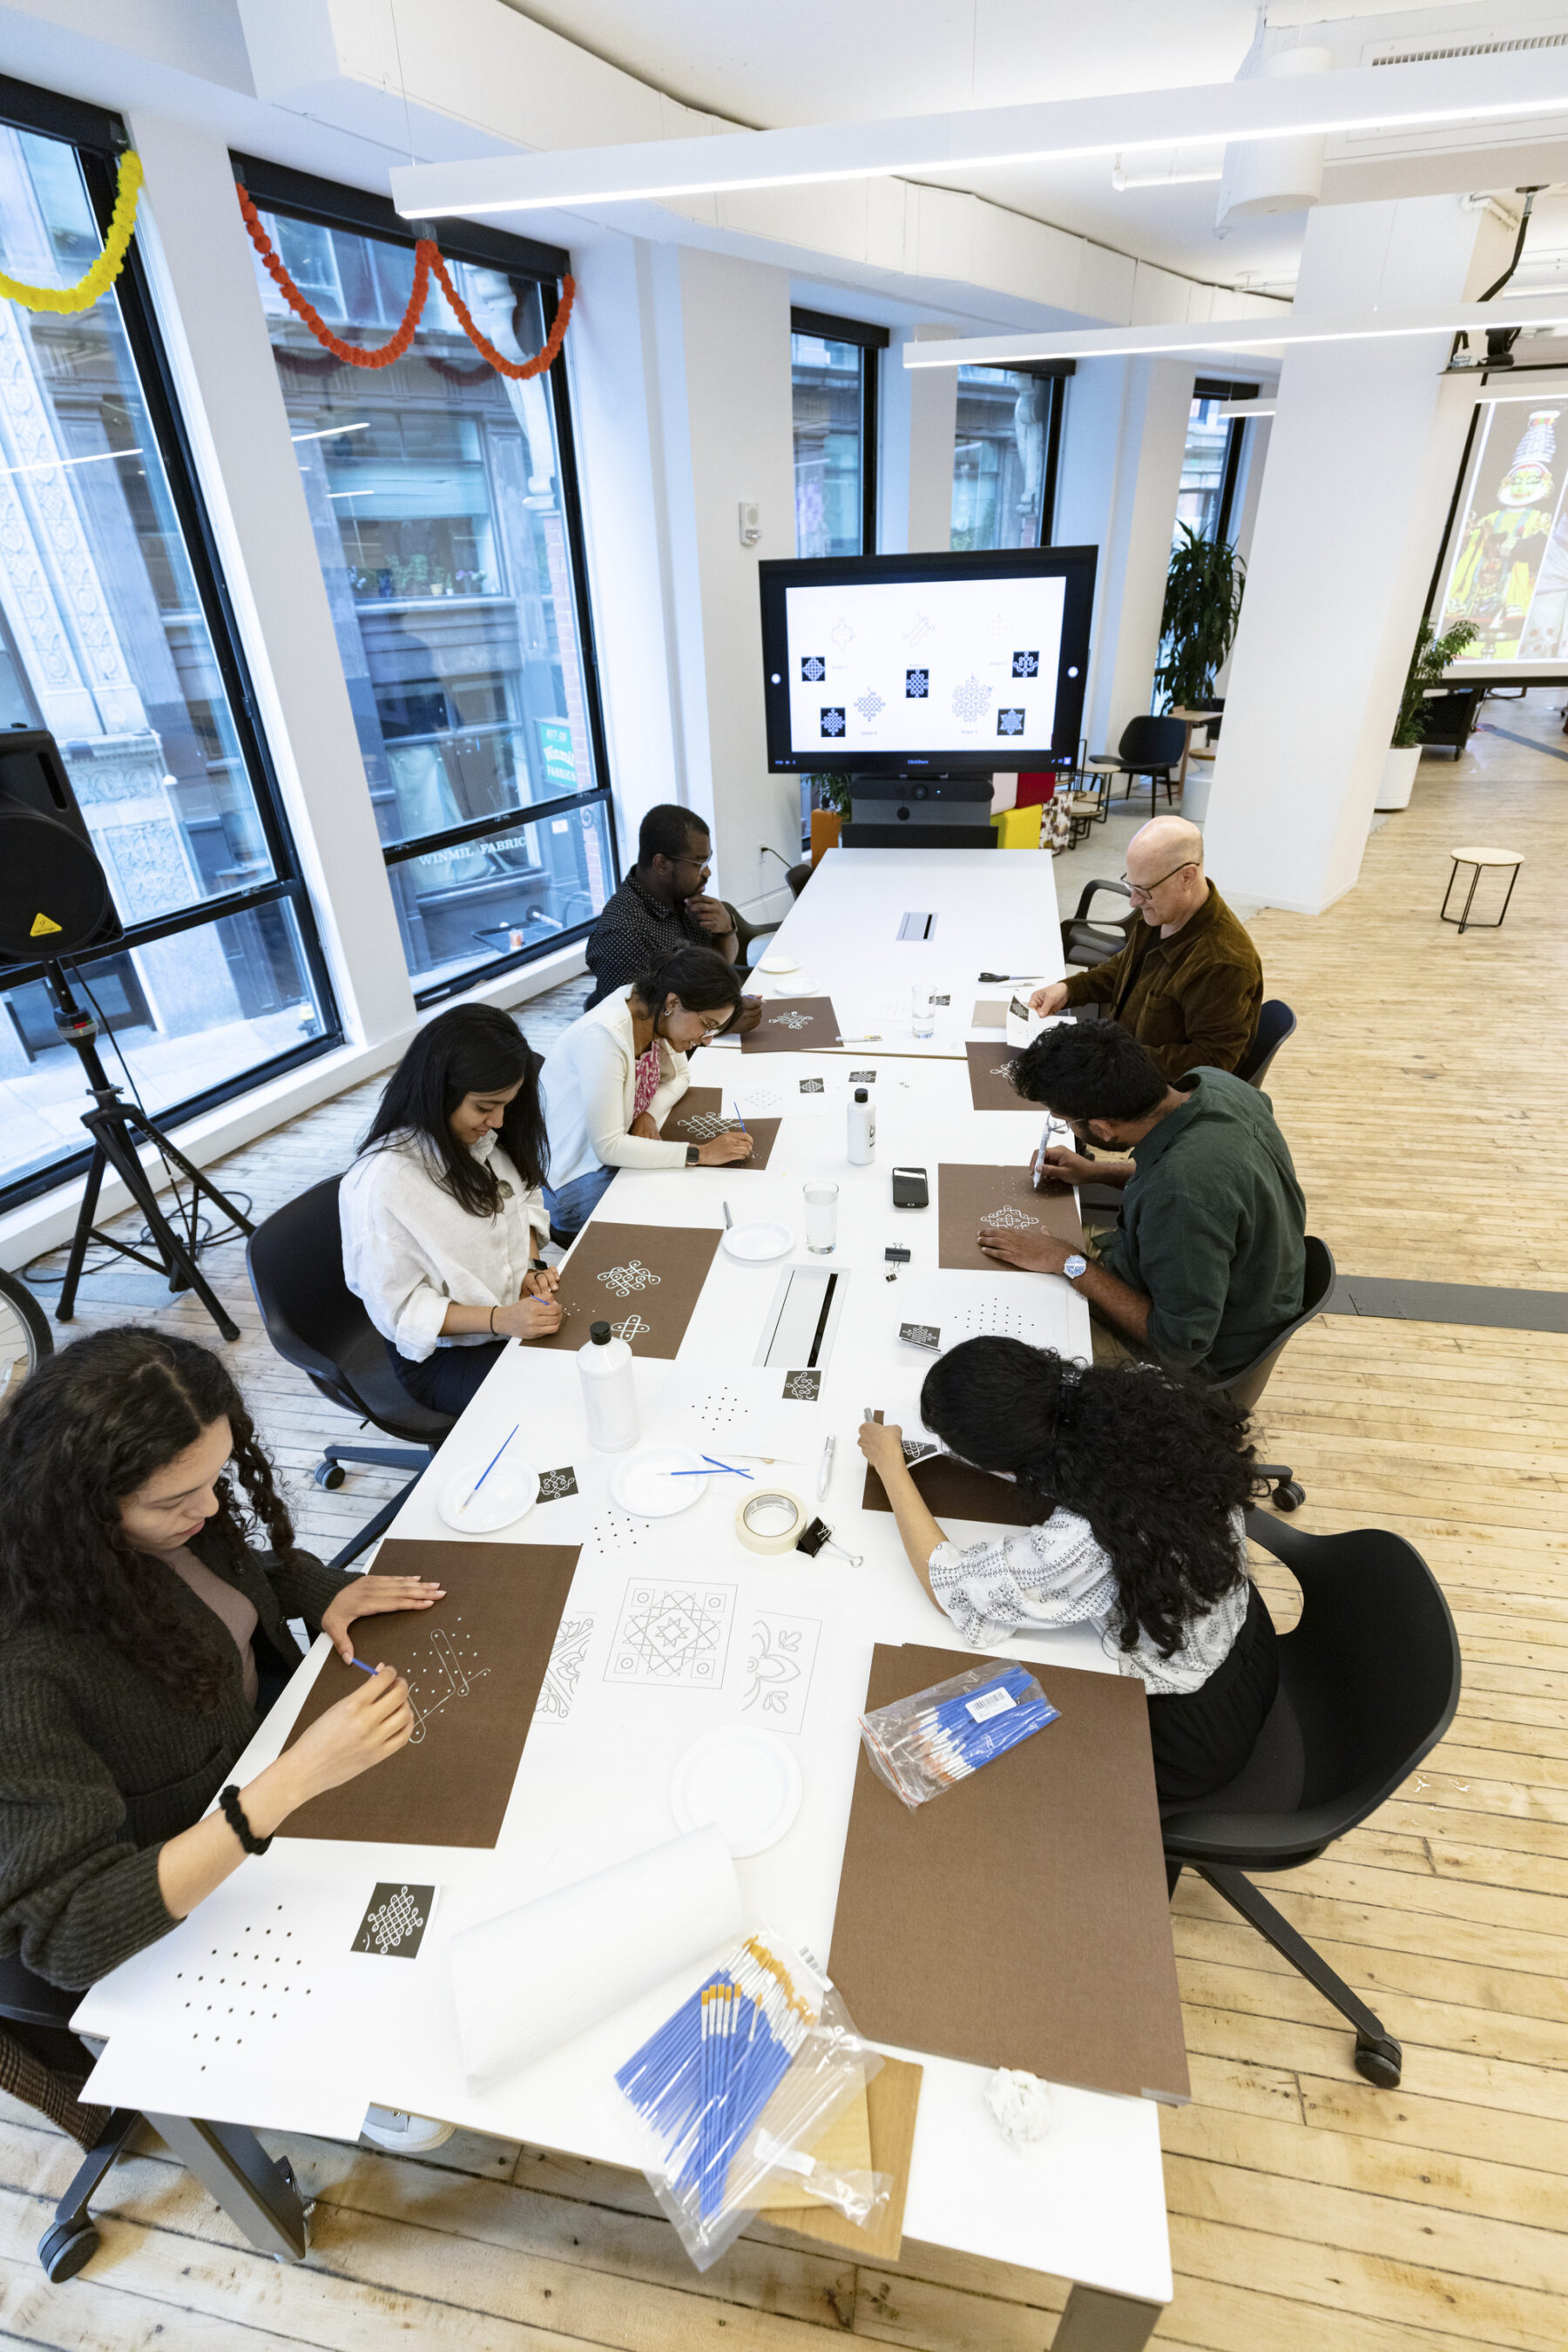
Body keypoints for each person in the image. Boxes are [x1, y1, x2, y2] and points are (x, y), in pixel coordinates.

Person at [0, 1327, 433, 2000]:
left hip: (265, 1752)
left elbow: (219, 1583)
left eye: (215, 1479)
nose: (207, 1509)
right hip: (202, 1879)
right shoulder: (25, 1669)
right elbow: (66, 1935)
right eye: (174, 1501)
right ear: (78, 1507)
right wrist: (294, 1779)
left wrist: (320, 1589)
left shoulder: (159, 1528)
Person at [857, 1340, 1278, 1806]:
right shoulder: (1144, 1388)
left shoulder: (1082, 1541)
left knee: (1020, 1791)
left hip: (1195, 1727)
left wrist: (891, 1467)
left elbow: (953, 1589)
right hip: (1245, 1627)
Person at [990, 1020, 1307, 1382]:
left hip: (1198, 1355)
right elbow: (1209, 1186)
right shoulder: (1217, 1085)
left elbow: (1178, 1345)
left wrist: (1066, 1261)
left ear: (1104, 1127)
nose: (1068, 1130)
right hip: (1228, 1285)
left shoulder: (1180, 1196)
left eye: (1066, 1123)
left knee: (1014, 1349)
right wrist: (1096, 1173)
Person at [340, 1004, 564, 1418]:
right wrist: (501, 1319)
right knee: (556, 1403)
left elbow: (525, 1200)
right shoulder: (384, 1184)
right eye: (484, 1107)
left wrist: (530, 1267)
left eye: (506, 1106)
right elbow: (403, 1313)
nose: (496, 1122)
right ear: (439, 1090)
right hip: (441, 1358)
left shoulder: (484, 1141)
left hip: (507, 1316)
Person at [539, 944, 753, 1239]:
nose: (706, 1042)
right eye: (706, 1026)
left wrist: (648, 1114)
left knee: (699, 1192)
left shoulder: (652, 1009)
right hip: (572, 1183)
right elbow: (609, 1146)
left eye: (714, 1031)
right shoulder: (605, 1036)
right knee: (684, 1213)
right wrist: (700, 1153)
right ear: (674, 1002)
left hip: (611, 1157)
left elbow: (681, 1076)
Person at [1030, 815, 1262, 1081]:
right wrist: (1068, 989)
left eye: (1144, 890)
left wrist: (1113, 1058)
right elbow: (1125, 968)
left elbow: (1212, 1062)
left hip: (1160, 1094)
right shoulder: (1163, 912)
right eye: (1132, 886)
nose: (1133, 901)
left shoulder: (1221, 963)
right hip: (1124, 1061)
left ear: (1187, 876)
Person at [584, 803, 762, 1031]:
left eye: (707, 861)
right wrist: (719, 1023)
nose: (707, 873)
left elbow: (712, 975)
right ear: (661, 864)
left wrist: (725, 931)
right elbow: (636, 1025)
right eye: (699, 864)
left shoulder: (684, 899)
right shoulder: (622, 933)